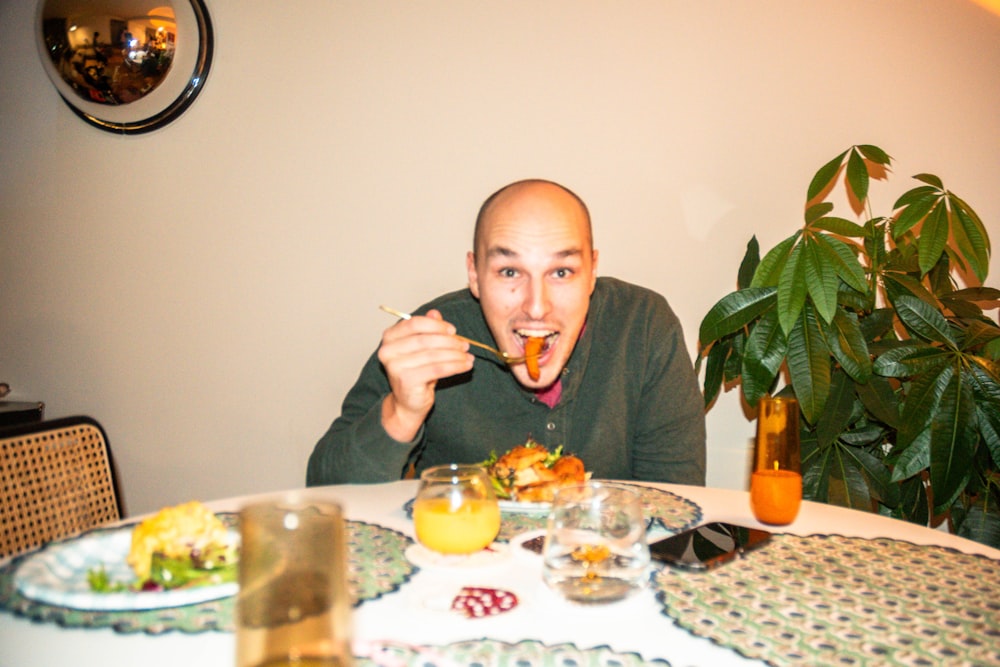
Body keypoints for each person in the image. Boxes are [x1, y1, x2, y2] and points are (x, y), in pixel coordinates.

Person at [307, 179, 706, 486]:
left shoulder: (644, 325)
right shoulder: (429, 338)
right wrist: (402, 411)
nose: (536, 306)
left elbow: (675, 501)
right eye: (510, 272)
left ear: (592, 271)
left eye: (562, 271)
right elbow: (327, 493)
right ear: (474, 275)